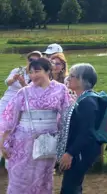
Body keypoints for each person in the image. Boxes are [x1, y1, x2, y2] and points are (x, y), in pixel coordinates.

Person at [0, 57, 71, 193]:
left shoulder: (61, 90)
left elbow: (66, 117)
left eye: (37, 71)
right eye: (30, 72)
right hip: (23, 143)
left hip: (46, 143)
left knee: (43, 179)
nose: (33, 75)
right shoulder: (23, 92)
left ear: (48, 71)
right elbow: (9, 118)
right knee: (19, 178)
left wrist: (64, 143)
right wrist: (2, 142)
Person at [57, 63, 103, 194]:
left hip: (80, 154)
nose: (69, 78)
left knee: (69, 188)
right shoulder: (83, 99)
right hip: (80, 152)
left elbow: (86, 132)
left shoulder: (87, 102)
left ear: (82, 80)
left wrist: (70, 153)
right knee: (73, 186)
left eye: (72, 76)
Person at [0, 51, 42, 116]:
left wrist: (23, 84)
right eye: (31, 60)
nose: (32, 62)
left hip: (23, 102)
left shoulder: (38, 75)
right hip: (8, 99)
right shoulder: (17, 70)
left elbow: (33, 92)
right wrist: (13, 79)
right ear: (27, 60)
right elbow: (7, 83)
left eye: (36, 61)